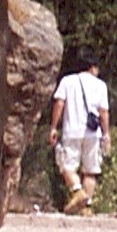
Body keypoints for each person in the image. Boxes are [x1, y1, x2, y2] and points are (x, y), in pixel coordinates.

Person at [48, 49, 111, 214]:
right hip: (93, 133)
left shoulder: (67, 81)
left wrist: (54, 127)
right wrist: (106, 134)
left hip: (72, 131)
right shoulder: (101, 85)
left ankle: (77, 191)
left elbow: (59, 103)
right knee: (90, 172)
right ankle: (86, 208)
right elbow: (104, 112)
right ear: (92, 67)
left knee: (67, 166)